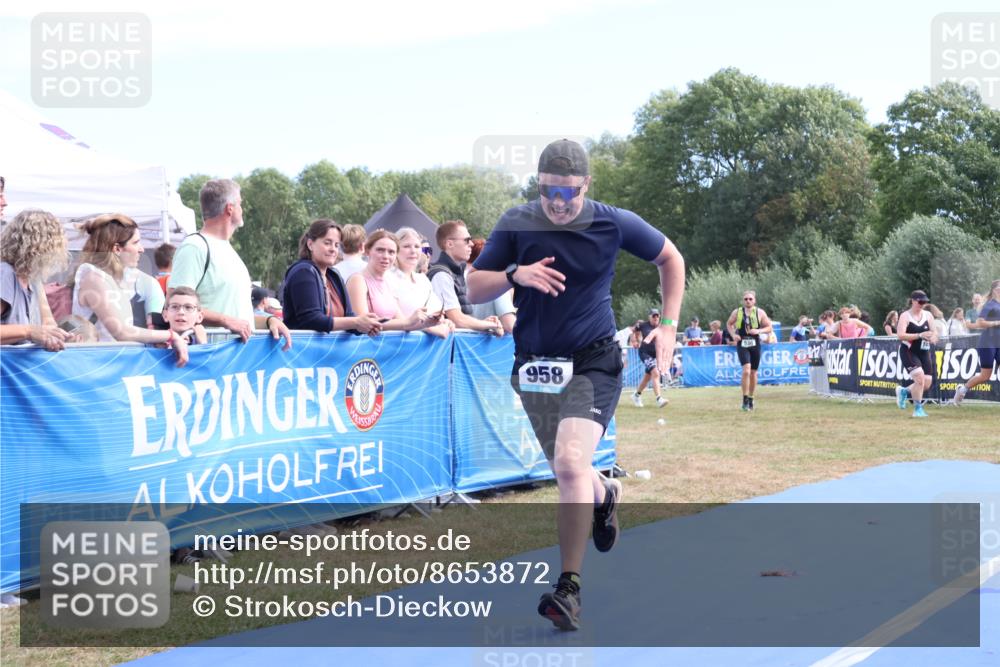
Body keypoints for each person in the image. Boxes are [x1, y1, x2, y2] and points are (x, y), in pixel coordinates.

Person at [466, 139, 685, 632]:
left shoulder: (614, 221)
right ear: (537, 185)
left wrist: (668, 324)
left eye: (569, 192)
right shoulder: (516, 222)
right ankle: (604, 493)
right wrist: (513, 273)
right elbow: (473, 286)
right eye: (549, 192)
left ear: (586, 185)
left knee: (568, 463)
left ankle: (568, 589)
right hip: (534, 366)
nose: (559, 203)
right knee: (573, 473)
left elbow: (671, 259)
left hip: (592, 361)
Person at [168, 179, 290, 349]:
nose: (243, 209)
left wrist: (270, 320)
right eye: (240, 203)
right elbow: (173, 305)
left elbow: (238, 318)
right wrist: (225, 321)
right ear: (230, 208)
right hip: (211, 358)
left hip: (235, 361)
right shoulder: (194, 247)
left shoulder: (227, 250)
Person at [71, 213, 188, 365]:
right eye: (136, 243)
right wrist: (170, 335)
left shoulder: (108, 277)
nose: (141, 249)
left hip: (110, 365)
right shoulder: (93, 277)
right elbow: (122, 332)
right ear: (117, 249)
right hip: (96, 367)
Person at [281, 219, 382, 335]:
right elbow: (311, 319)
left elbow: (348, 317)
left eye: (336, 245)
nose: (333, 249)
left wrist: (366, 325)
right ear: (310, 244)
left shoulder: (334, 276)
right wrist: (355, 322)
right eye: (327, 243)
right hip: (303, 350)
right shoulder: (303, 271)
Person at [0, 209, 75, 351]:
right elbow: (32, 330)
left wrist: (56, 336)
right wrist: (29, 331)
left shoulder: (32, 279)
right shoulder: (5, 274)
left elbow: (47, 323)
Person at [346, 230, 437, 333]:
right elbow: (363, 324)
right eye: (380, 250)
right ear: (367, 251)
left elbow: (403, 323)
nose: (386, 256)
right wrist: (409, 322)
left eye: (391, 252)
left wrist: (433, 322)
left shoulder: (386, 282)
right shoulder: (358, 280)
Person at [428, 220, 503, 336]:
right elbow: (457, 320)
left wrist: (484, 324)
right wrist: (491, 325)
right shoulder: (441, 275)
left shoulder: (455, 272)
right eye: (467, 240)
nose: (472, 244)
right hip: (447, 348)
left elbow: (462, 318)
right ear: (449, 244)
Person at [392, 227, 453, 339]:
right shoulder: (388, 278)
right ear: (395, 250)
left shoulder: (423, 280)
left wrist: (445, 323)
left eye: (417, 246)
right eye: (406, 246)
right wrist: (430, 328)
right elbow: (398, 319)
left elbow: (437, 313)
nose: (413, 251)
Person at [954, 279, 1000, 405]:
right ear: (995, 290)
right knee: (985, 376)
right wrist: (997, 323)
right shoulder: (990, 304)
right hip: (987, 344)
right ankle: (962, 389)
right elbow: (980, 323)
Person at [726, 290, 773, 411]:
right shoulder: (737, 312)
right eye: (746, 299)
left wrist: (758, 331)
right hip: (742, 343)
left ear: (754, 300)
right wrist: (733, 335)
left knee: (753, 373)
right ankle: (745, 399)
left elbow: (769, 327)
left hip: (755, 343)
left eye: (750, 299)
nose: (748, 301)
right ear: (743, 300)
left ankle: (751, 398)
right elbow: (729, 324)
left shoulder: (760, 312)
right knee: (746, 370)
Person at [894, 290, 937, 417]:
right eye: (920, 301)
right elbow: (900, 335)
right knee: (919, 378)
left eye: (925, 302)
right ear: (913, 301)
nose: (922, 304)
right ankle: (918, 409)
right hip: (909, 351)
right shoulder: (905, 316)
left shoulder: (928, 315)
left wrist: (933, 337)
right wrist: (919, 335)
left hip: (924, 352)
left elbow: (934, 332)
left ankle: (904, 392)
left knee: (927, 384)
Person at [469, 238, 515, 334]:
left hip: (465, 343)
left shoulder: (463, 279)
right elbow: (510, 325)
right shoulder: (498, 285)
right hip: (489, 346)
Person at [631, 309, 670, 408]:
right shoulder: (643, 325)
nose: (656, 318)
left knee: (647, 377)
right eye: (653, 316)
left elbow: (672, 323)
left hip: (655, 355)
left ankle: (636, 395)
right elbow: (633, 330)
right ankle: (659, 399)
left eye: (657, 316)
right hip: (644, 353)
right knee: (655, 373)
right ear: (649, 317)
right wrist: (635, 341)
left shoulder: (662, 326)